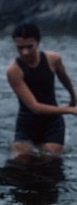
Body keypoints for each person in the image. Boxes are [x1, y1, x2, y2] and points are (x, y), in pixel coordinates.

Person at [7, 22, 77, 159]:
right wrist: (70, 110)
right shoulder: (14, 71)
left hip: (52, 123)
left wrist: (73, 97)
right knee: (20, 162)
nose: (25, 52)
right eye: (20, 47)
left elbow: (64, 78)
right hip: (27, 123)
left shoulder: (53, 59)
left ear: (38, 42)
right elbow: (34, 107)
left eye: (29, 47)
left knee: (49, 162)